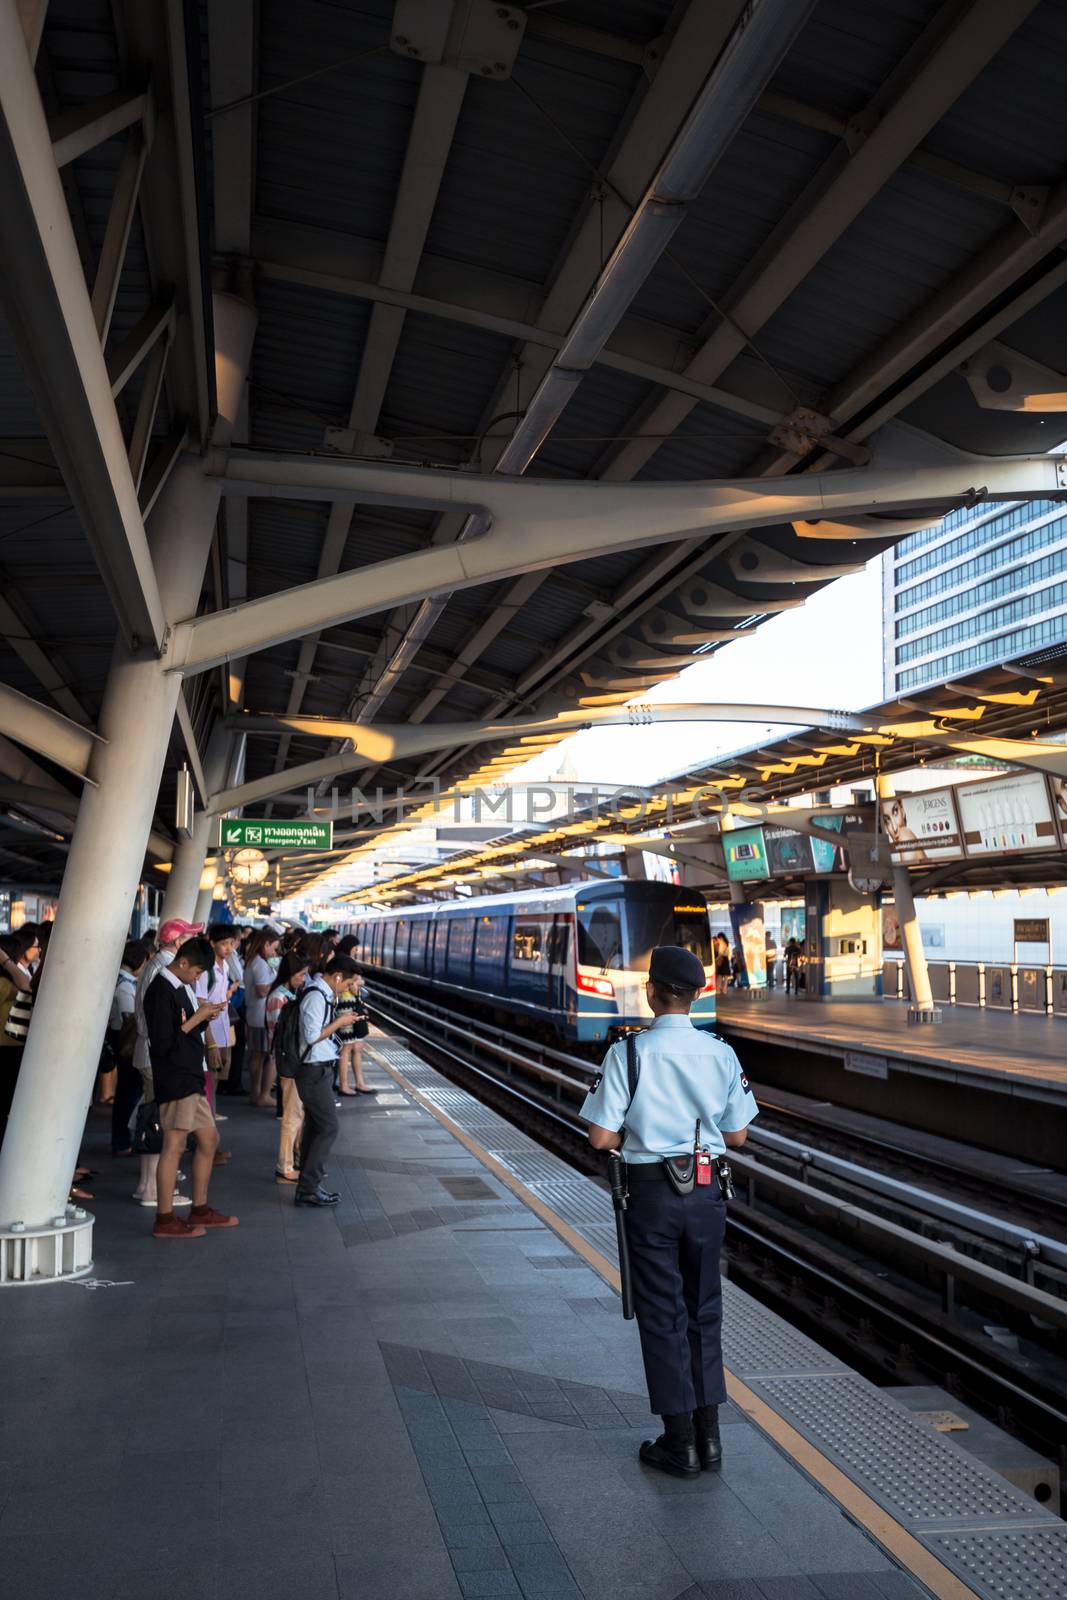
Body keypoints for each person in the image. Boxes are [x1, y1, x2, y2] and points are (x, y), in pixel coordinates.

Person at [580, 945, 758, 1479]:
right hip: (708, 1194)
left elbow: (599, 1137)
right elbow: (739, 1135)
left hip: (653, 1195)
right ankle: (711, 1439)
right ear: (698, 995)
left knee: (663, 1313)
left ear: (652, 993)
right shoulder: (721, 1053)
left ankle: (678, 1443)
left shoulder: (627, 1055)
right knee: (705, 1309)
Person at [142, 935, 238, 1240]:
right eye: (196, 973)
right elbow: (162, 1043)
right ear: (182, 962)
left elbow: (184, 1028)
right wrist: (197, 1017)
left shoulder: (179, 987)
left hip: (190, 1075)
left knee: (209, 1140)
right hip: (175, 1077)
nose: (197, 978)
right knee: (174, 1146)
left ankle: (199, 1208)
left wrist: (205, 1015)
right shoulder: (160, 990)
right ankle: (165, 1218)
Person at [293, 954, 358, 1208]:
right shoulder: (315, 996)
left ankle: (308, 1186)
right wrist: (340, 1022)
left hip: (320, 1068)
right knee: (329, 1127)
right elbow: (311, 1036)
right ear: (338, 976)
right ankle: (309, 1186)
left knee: (315, 1126)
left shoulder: (324, 995)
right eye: (347, 983)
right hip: (312, 1070)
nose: (347, 989)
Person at [266, 954, 310, 1183]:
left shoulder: (288, 996)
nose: (303, 979)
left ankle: (294, 1158)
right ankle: (285, 1166)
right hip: (289, 1063)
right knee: (292, 1116)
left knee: (297, 1114)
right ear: (289, 974)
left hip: (293, 1063)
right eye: (300, 974)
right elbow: (280, 1037)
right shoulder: (278, 999)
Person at [109, 939, 149, 1156]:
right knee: (128, 1092)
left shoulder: (119, 980)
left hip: (122, 1039)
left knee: (127, 1091)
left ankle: (122, 1139)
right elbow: (130, 1019)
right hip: (127, 1042)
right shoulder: (125, 986)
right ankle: (122, 1141)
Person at [195, 925, 240, 1119]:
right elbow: (201, 1002)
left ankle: (210, 1110)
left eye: (231, 943)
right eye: (223, 944)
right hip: (209, 1029)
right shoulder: (206, 970)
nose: (229, 948)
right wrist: (210, 1041)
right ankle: (206, 1114)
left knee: (217, 1072)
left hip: (222, 1025)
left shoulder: (226, 965)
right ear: (212, 943)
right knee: (209, 1072)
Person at [243, 927, 282, 1106]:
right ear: (265, 944)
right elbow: (262, 990)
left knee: (257, 1055)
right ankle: (263, 1095)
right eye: (274, 948)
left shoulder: (255, 960)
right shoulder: (260, 963)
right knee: (267, 1055)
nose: (275, 952)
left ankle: (256, 1093)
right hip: (262, 1015)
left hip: (255, 1014)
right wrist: (280, 980)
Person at [334, 972, 373, 1096]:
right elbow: (355, 985)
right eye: (355, 950)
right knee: (346, 1048)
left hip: (351, 1004)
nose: (356, 950)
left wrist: (357, 982)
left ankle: (359, 1083)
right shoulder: (346, 968)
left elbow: (357, 981)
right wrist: (357, 982)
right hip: (346, 1005)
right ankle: (344, 1085)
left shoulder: (347, 967)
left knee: (356, 1047)